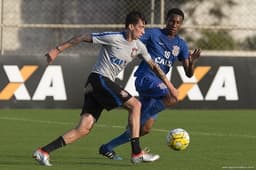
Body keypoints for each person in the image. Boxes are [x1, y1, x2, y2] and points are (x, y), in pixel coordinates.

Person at [32, 11, 178, 166]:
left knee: (83, 129)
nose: (143, 31)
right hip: (98, 79)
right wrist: (57, 50)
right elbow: (81, 37)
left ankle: (43, 152)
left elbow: (154, 66)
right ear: (130, 26)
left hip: (97, 85)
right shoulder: (113, 38)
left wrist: (170, 86)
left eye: (144, 28)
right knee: (136, 105)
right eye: (141, 27)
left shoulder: (139, 46)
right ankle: (136, 152)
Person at [99, 8, 201, 160]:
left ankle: (107, 147)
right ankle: (136, 125)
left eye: (178, 22)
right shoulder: (153, 34)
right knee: (172, 96)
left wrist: (192, 63)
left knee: (145, 129)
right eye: (172, 21)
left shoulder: (181, 44)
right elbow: (133, 38)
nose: (174, 24)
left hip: (157, 85)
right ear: (166, 20)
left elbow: (189, 73)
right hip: (145, 78)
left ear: (181, 24)